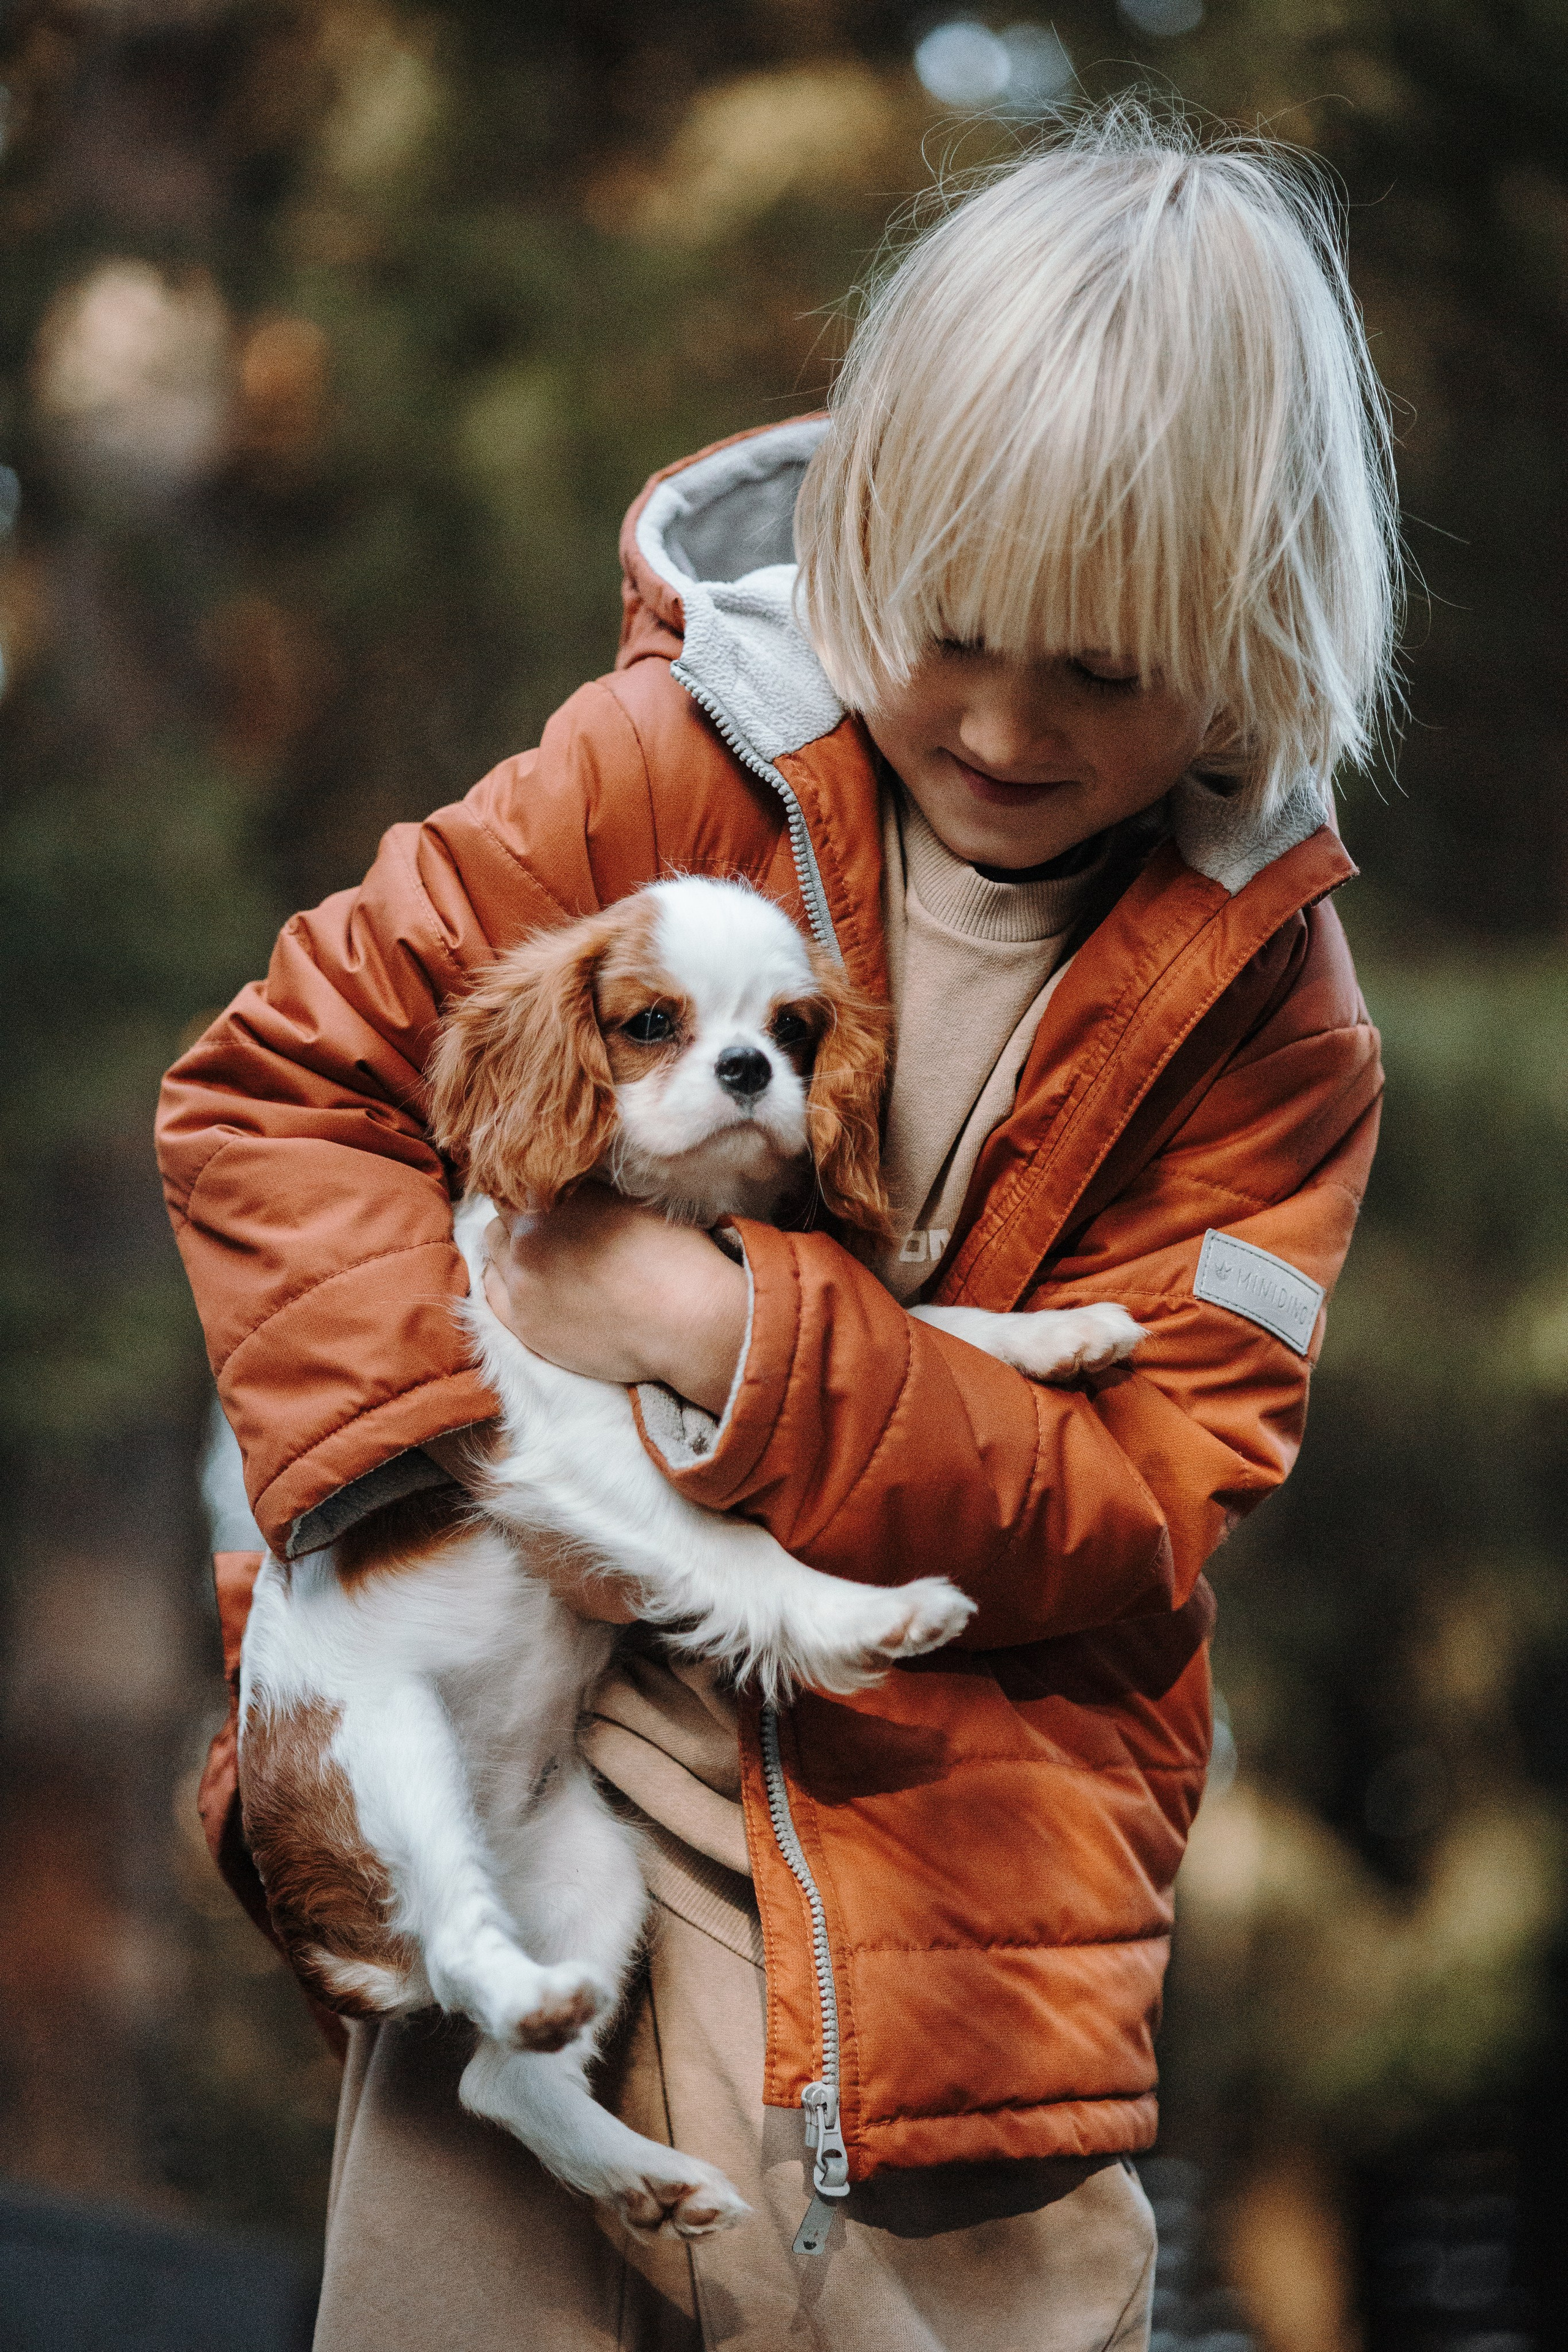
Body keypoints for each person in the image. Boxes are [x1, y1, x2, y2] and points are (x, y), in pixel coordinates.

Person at [159, 103, 1395, 2352]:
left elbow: (1145, 1481)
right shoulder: (649, 768)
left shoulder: (1271, 1020)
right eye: (953, 632)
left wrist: (716, 1328)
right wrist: (452, 1480)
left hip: (951, 1910)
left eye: (1105, 674)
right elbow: (274, 1092)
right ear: (865, 536)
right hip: (526, 1789)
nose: (1003, 723)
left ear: (1255, 639)